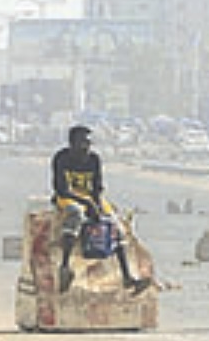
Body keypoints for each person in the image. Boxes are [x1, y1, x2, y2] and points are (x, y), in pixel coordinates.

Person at [52, 125, 149, 293]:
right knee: (75, 214)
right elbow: (61, 188)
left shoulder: (94, 159)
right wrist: (86, 203)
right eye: (82, 143)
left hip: (90, 198)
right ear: (72, 143)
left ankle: (127, 277)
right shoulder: (61, 158)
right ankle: (65, 267)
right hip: (68, 197)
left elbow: (97, 187)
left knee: (114, 224)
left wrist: (96, 206)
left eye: (88, 143)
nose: (86, 147)